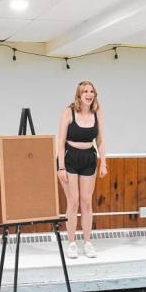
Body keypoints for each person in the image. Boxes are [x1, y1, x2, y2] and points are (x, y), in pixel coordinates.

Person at [57, 81, 107, 259]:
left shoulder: (97, 112)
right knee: (73, 201)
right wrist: (61, 167)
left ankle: (87, 242)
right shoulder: (68, 112)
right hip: (70, 157)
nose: (89, 94)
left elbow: (100, 140)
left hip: (88, 157)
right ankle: (71, 243)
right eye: (85, 91)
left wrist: (104, 163)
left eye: (91, 91)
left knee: (86, 201)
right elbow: (60, 141)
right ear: (79, 95)